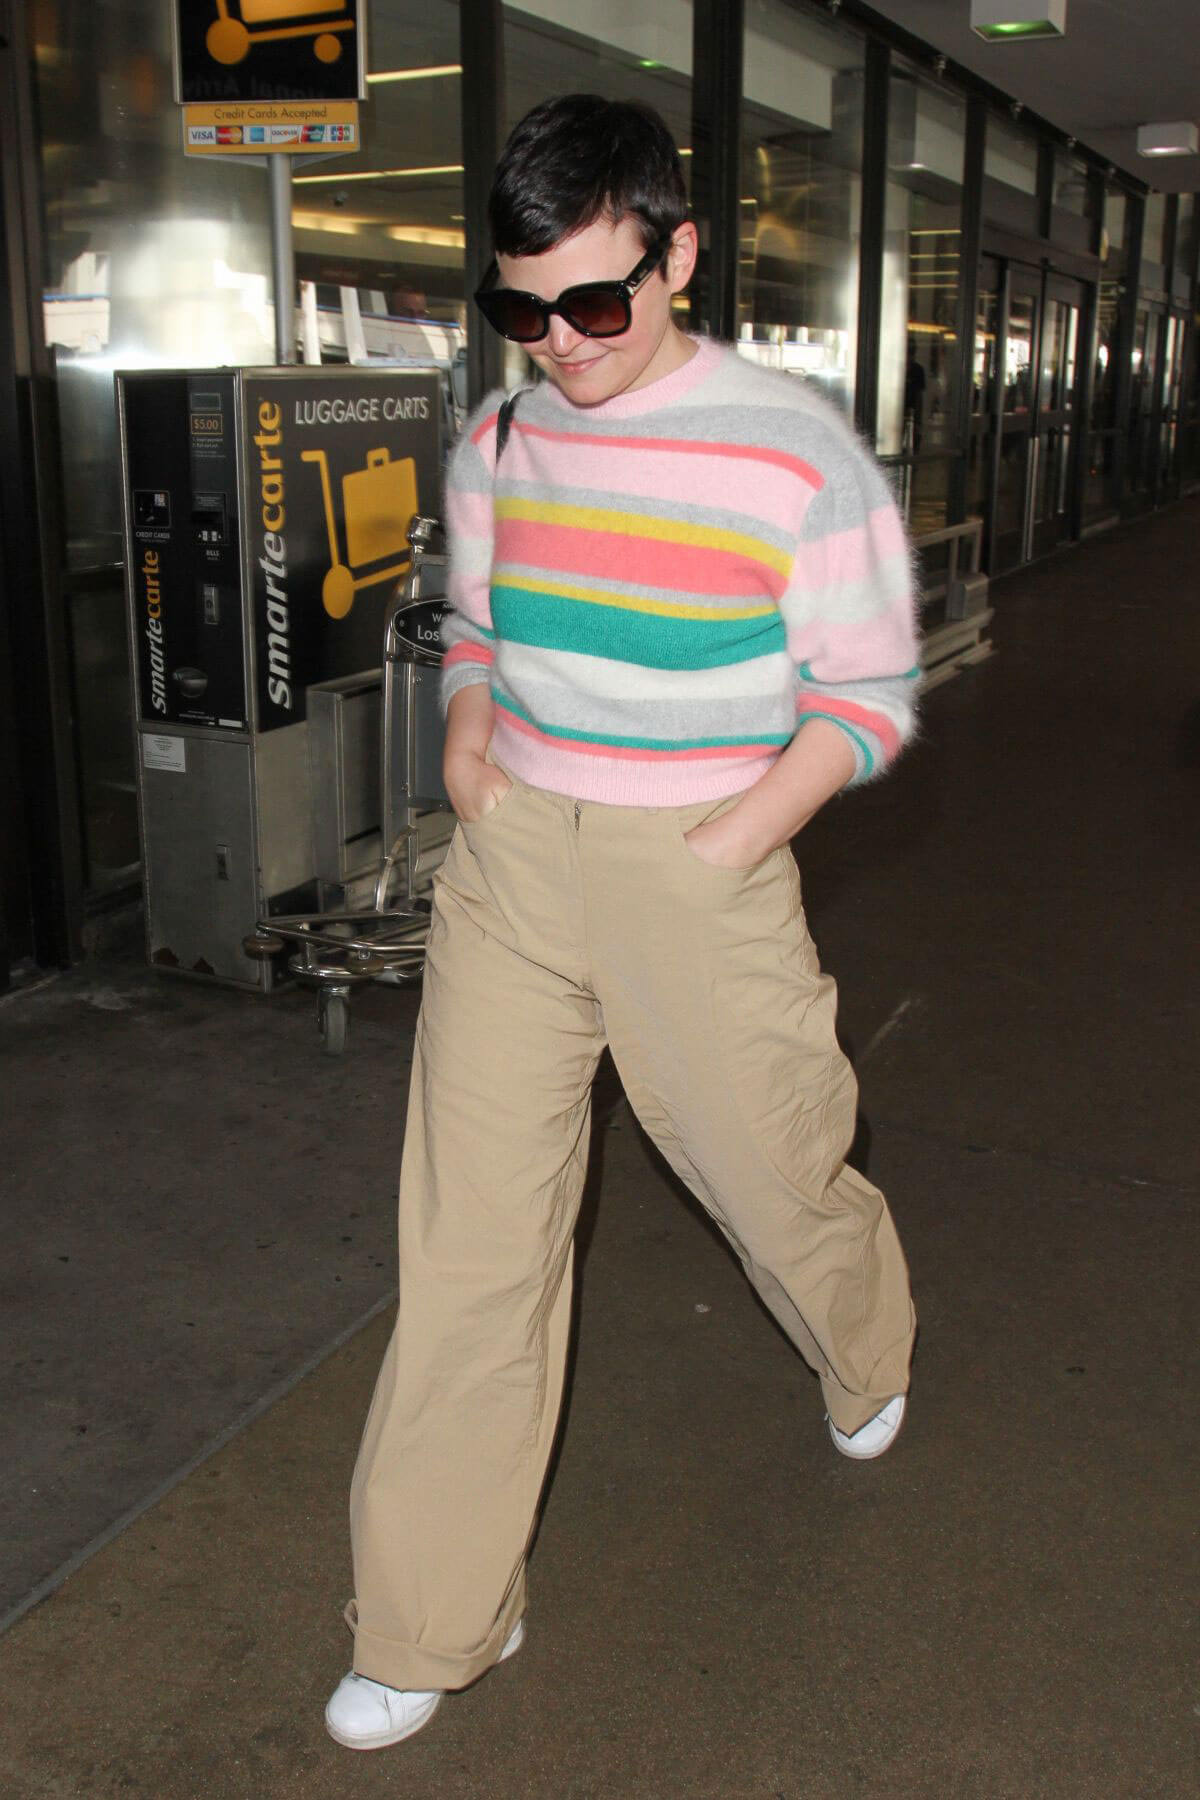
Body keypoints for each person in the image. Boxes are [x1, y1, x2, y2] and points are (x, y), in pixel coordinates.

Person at [326, 93, 920, 1753]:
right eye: (527, 310)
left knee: (770, 1170)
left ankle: (865, 1343)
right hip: (515, 864)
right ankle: (434, 1618)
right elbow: (472, 623)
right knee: (470, 1251)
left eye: (599, 301)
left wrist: (730, 840)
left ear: (679, 256)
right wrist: (465, 746)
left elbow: (866, 693)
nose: (564, 342)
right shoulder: (505, 437)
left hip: (697, 870)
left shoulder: (794, 450)